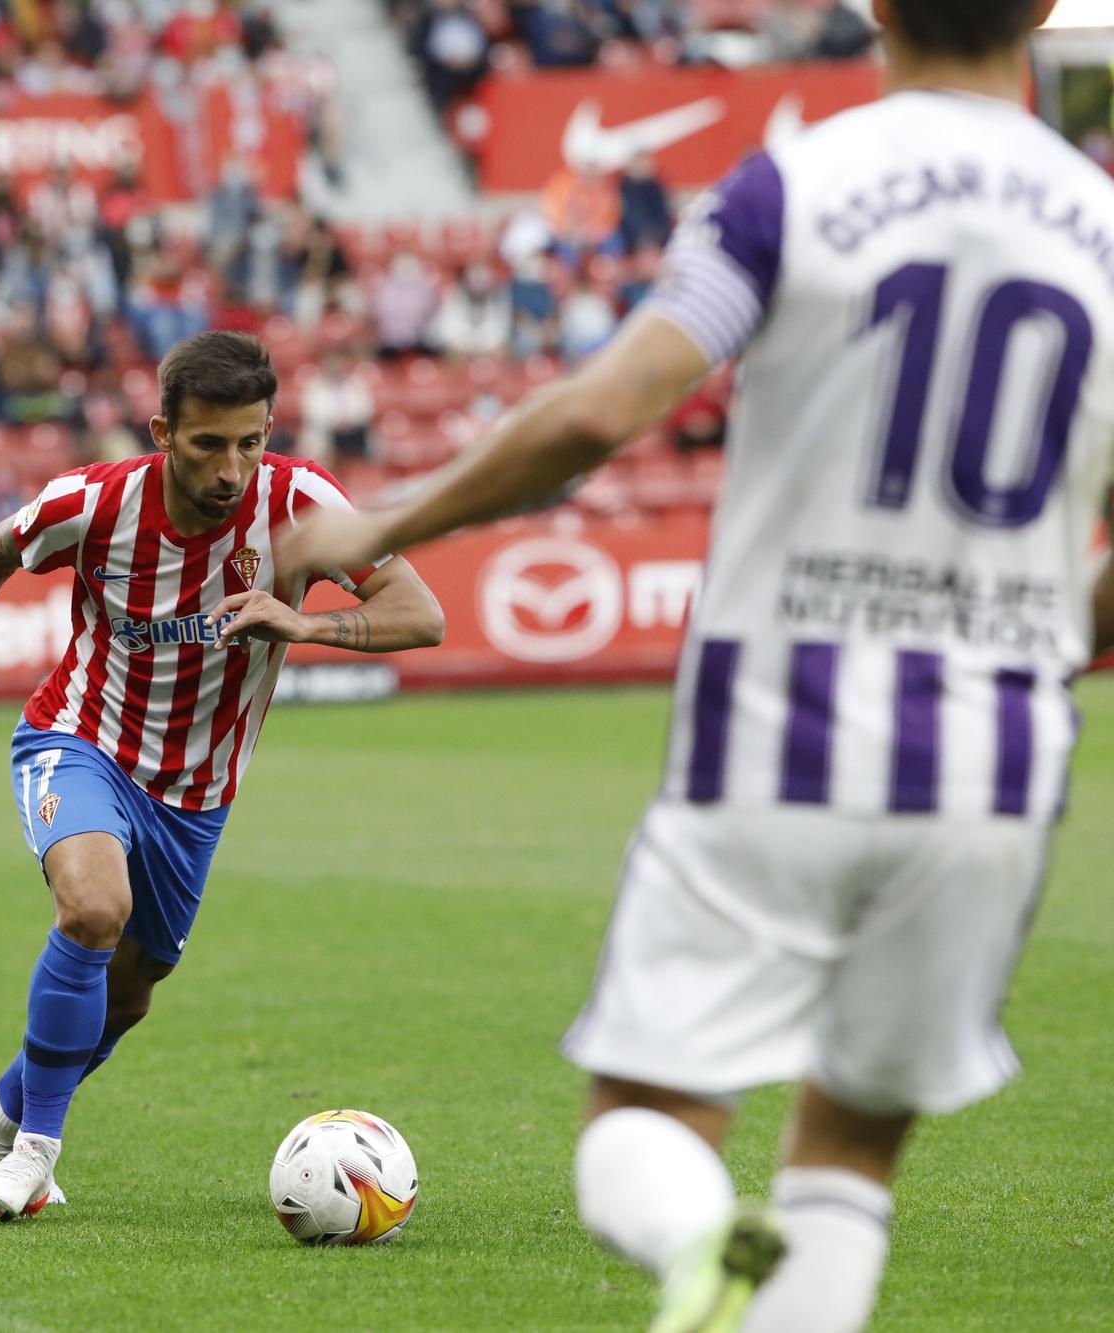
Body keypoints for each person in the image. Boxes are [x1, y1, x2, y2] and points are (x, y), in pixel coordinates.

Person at [289, 3, 1111, 1330]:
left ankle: (702, 1235)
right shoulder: (1103, 224)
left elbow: (610, 405)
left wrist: (380, 525)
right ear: (1039, 14)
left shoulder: (796, 186)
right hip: (993, 757)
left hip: (780, 731)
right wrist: (1050, 635)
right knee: (850, 1148)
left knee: (642, 1124)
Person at [0, 331, 444, 1221]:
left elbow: (422, 614)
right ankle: (33, 1156)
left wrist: (303, 626)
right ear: (160, 431)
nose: (232, 468)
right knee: (93, 909)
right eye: (208, 443)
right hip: (81, 738)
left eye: (250, 442)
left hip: (199, 792)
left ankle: (4, 1108)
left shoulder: (300, 505)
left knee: (131, 990)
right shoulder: (93, 505)